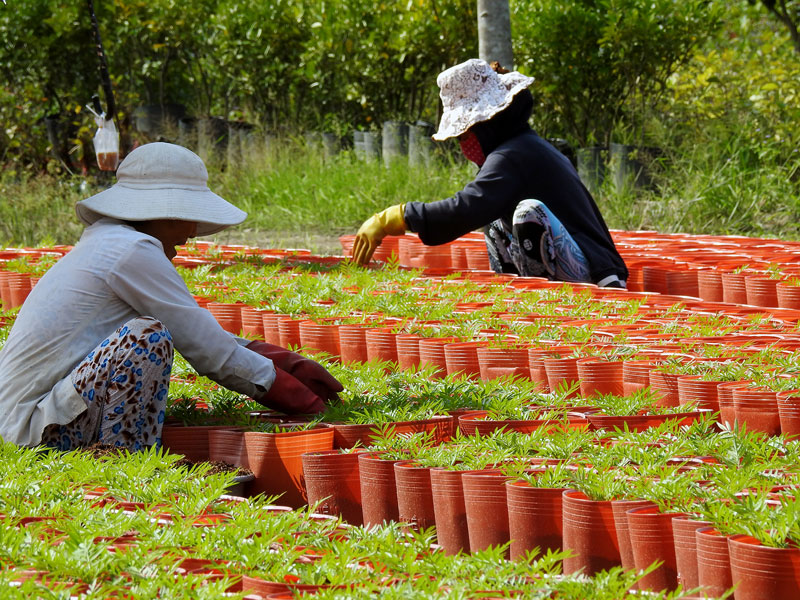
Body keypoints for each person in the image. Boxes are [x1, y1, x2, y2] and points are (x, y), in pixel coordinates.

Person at [0, 142, 342, 452]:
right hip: (36, 427)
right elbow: (210, 353)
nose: (192, 232)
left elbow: (198, 332)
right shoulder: (129, 250)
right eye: (187, 217)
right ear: (162, 212)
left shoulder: (111, 242)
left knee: (152, 332)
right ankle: (124, 457)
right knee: (145, 338)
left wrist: (286, 364)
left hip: (33, 417)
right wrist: (303, 400)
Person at [351, 58, 628, 288]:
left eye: (464, 136)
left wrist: (400, 216)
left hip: (598, 277)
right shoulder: (523, 147)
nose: (464, 146)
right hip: (589, 269)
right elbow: (481, 208)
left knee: (527, 213)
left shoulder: (514, 155)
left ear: (485, 126)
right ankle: (522, 296)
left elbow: (467, 207)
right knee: (495, 222)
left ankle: (550, 302)